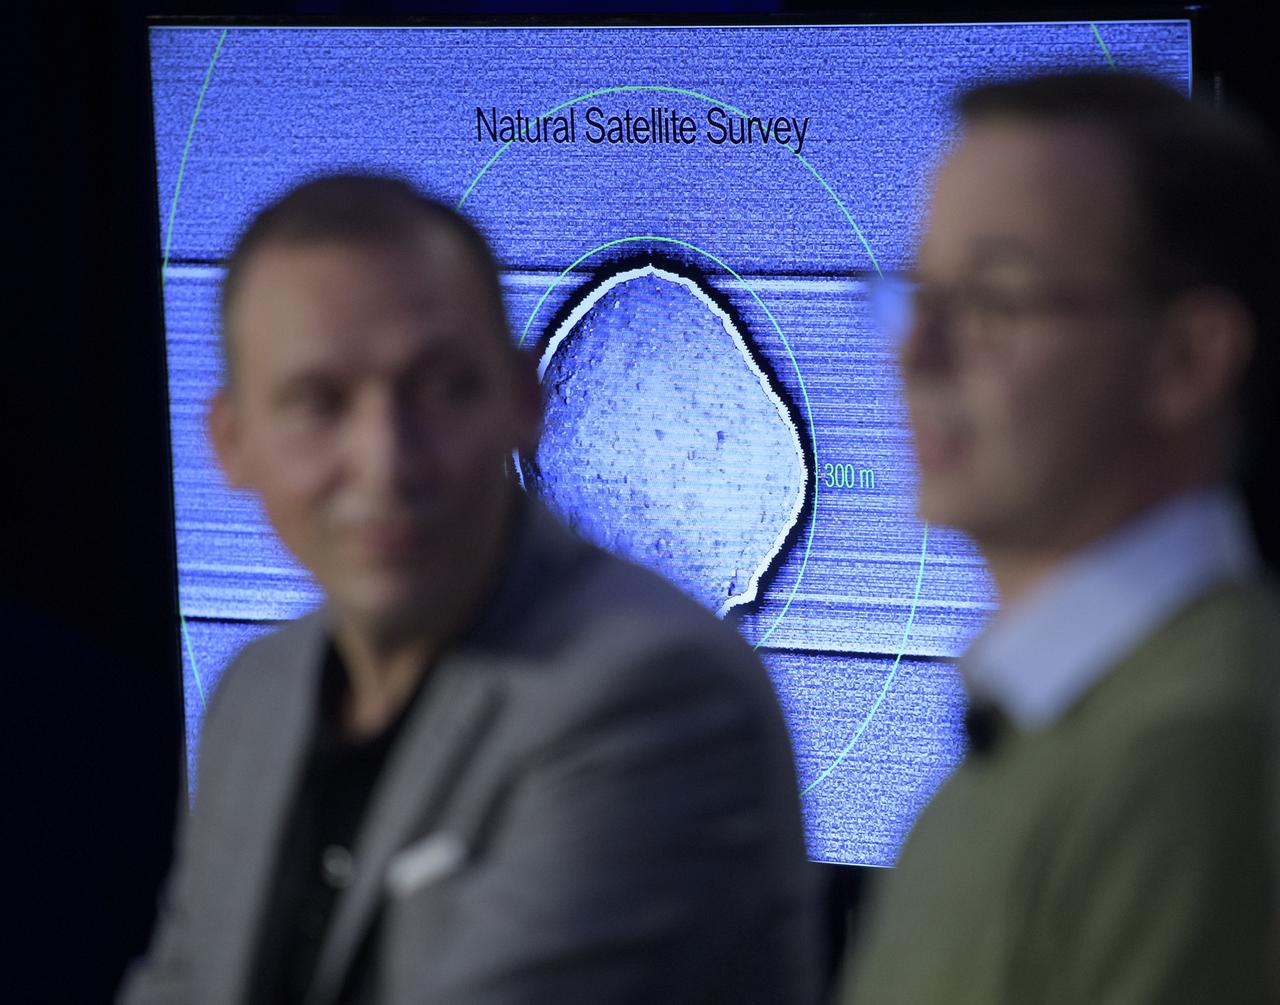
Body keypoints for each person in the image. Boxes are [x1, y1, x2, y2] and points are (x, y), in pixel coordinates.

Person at [119, 175, 817, 1005]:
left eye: (440, 387)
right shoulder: (256, 694)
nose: (386, 462)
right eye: (319, 401)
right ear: (232, 442)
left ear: (527, 403)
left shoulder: (662, 695)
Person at [842, 71, 1280, 1003]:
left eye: (996, 301)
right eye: (920, 291)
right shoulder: (1037, 729)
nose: (915, 352)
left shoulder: (1189, 754)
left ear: (1186, 359)